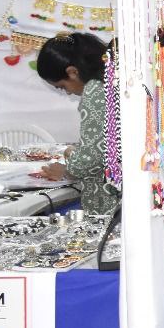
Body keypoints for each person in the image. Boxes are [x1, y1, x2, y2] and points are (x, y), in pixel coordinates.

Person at [34, 32, 120, 215]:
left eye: (62, 86)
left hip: (109, 199)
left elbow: (92, 156)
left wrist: (67, 168)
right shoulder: (110, 79)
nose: (67, 93)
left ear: (72, 72)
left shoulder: (95, 89)